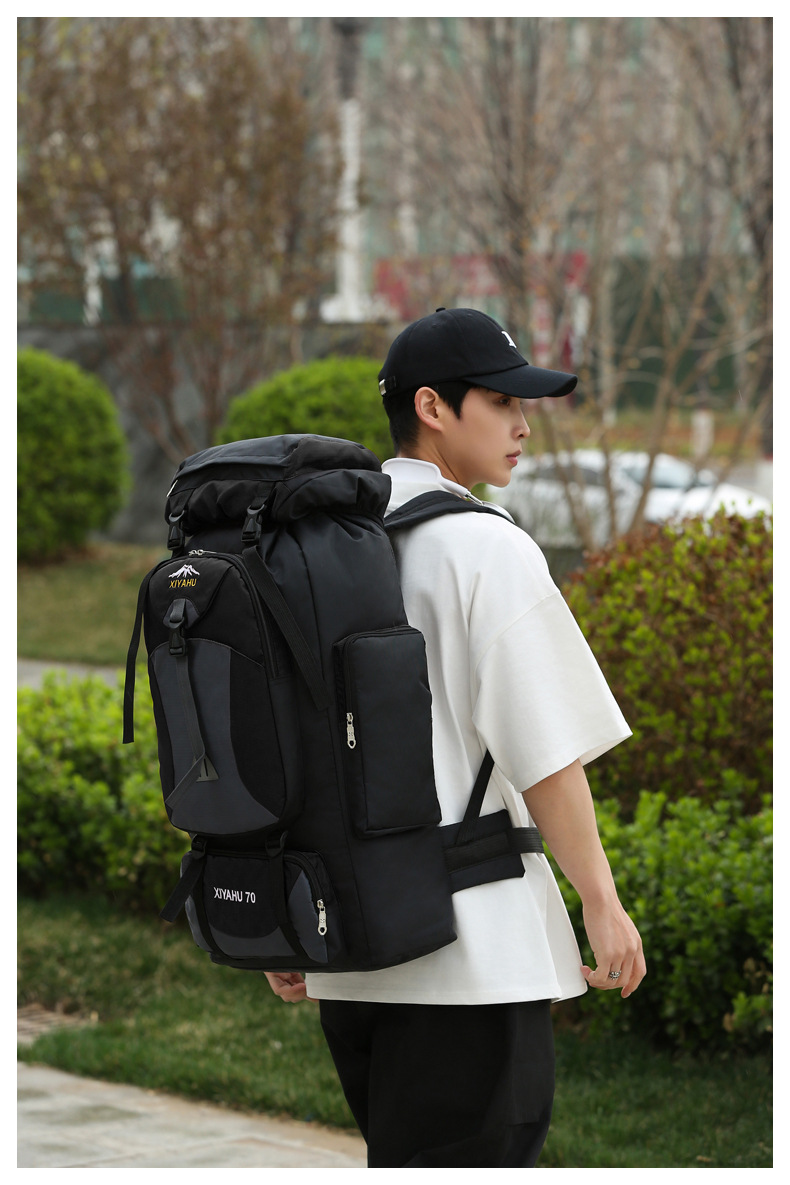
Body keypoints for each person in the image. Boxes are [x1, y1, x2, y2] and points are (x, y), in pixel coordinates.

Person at [265, 306, 646, 1168]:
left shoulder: (317, 551)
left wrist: (289, 920)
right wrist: (601, 899)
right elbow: (546, 752)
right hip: (474, 956)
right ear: (432, 407)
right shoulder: (483, 549)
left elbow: (285, 742)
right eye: (501, 401)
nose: (522, 424)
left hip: (351, 947)